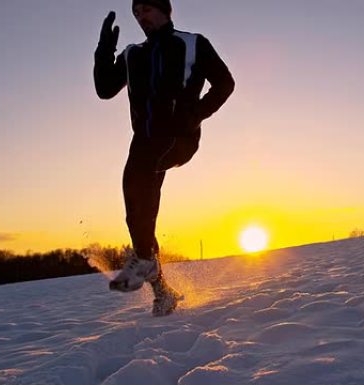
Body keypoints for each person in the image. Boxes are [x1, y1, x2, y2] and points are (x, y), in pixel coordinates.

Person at [94, 0, 235, 316]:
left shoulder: (191, 43)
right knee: (139, 212)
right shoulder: (133, 54)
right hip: (143, 142)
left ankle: (144, 260)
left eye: (145, 9)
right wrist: (104, 50)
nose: (140, 17)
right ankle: (163, 291)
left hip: (179, 138)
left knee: (137, 181)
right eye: (136, 13)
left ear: (164, 9)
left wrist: (194, 114)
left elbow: (225, 83)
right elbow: (104, 89)